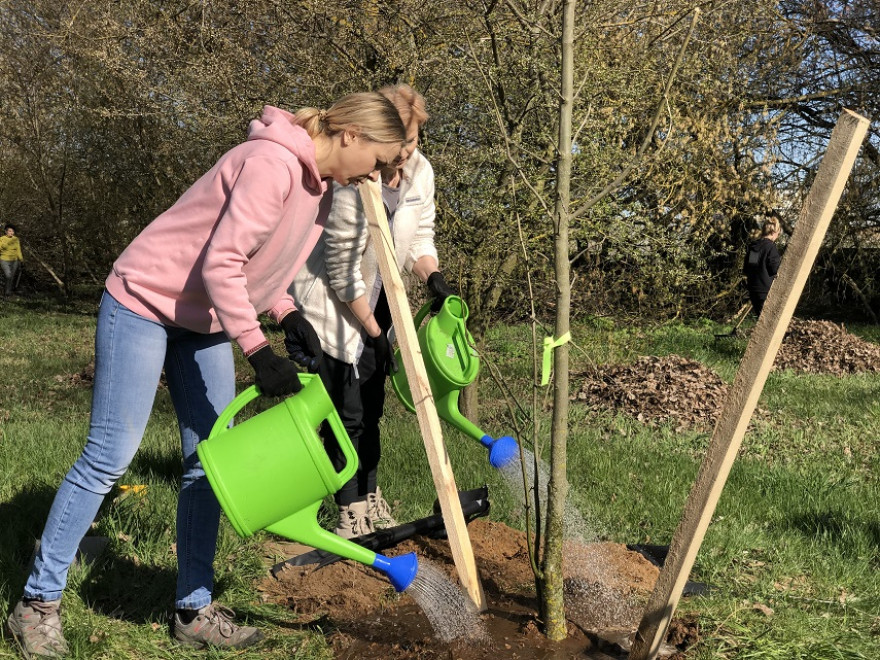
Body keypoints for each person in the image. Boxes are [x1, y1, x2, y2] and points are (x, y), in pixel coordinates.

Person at [5, 93, 407, 658]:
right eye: (380, 159)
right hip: (144, 301)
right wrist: (257, 349)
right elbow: (223, 260)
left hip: (207, 316)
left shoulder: (319, 190)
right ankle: (36, 604)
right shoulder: (270, 165)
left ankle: (193, 609)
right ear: (350, 137)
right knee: (110, 455)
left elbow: (267, 265)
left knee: (209, 463)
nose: (379, 173)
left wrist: (288, 316)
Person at [288, 84, 457, 539]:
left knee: (374, 403)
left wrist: (433, 277)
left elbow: (421, 238)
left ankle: (370, 493)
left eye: (413, 141)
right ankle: (347, 508)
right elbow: (343, 271)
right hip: (334, 302)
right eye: (398, 143)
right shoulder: (356, 179)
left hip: (385, 296)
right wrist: (373, 330)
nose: (404, 153)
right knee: (347, 410)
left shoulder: (420, 171)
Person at [743, 212, 782, 318]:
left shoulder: (754, 247)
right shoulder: (771, 248)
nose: (778, 236)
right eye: (778, 233)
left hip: (754, 291)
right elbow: (775, 269)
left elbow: (749, 268)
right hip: (766, 292)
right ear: (774, 232)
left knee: (761, 321)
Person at [0, 224, 24, 296]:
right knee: (8, 275)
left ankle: (7, 292)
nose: (11, 233)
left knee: (11, 277)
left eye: (13, 231)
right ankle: (6, 291)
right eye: (10, 231)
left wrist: (21, 259)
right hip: (4, 260)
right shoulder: (1, 239)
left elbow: (18, 250)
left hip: (14, 261)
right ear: (6, 231)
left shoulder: (16, 239)